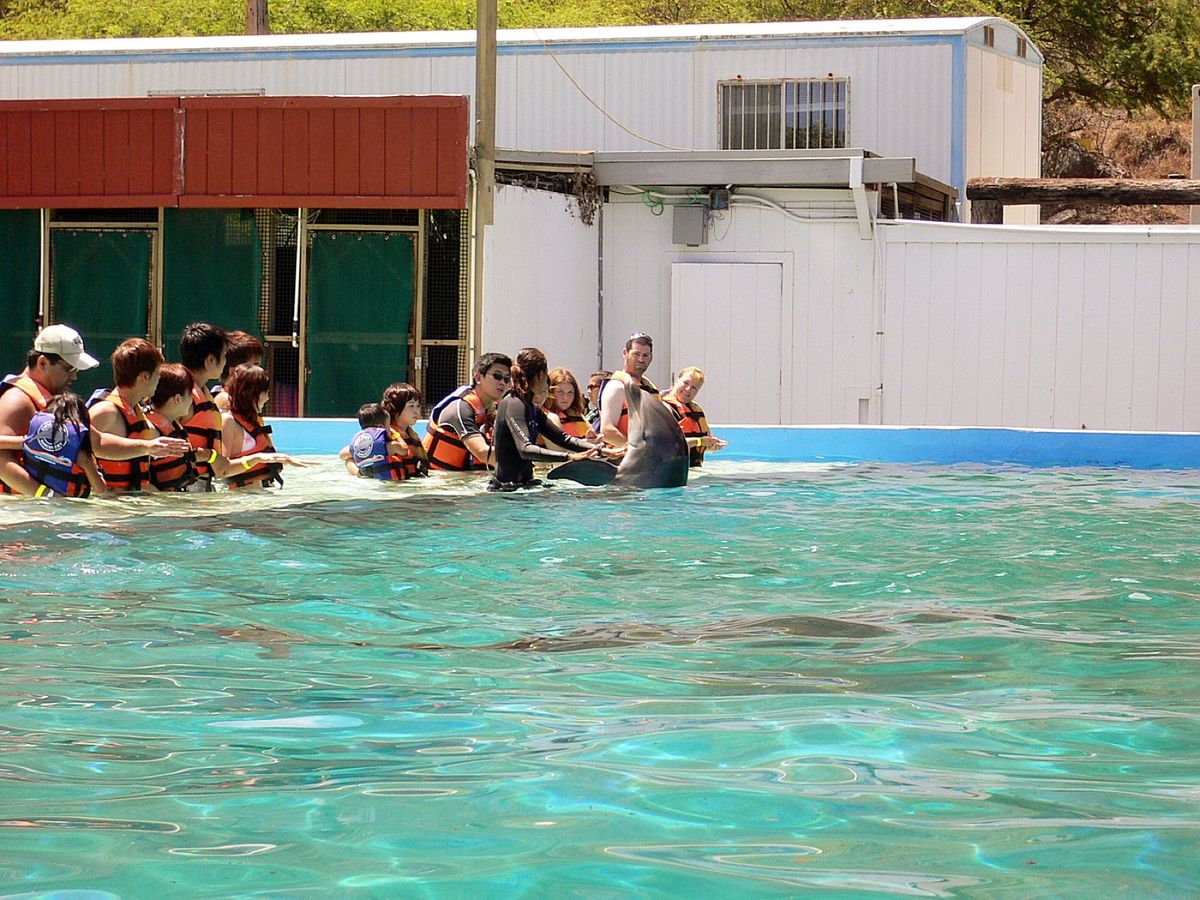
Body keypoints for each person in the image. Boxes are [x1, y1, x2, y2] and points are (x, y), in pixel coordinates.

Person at [0, 324, 187, 496]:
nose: (75, 375)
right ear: (42, 363)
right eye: (69, 368)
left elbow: (97, 442)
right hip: (20, 513)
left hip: (45, 510)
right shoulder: (17, 401)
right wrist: (46, 495)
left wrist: (149, 446)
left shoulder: (53, 401)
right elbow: (2, 462)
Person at [490, 347, 611, 491]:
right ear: (537, 376)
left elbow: (563, 438)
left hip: (524, 487)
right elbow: (525, 449)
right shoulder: (513, 403)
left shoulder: (531, 408)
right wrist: (570, 457)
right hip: (506, 490)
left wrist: (601, 450)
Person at [88, 338, 164, 492]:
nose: (159, 379)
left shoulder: (136, 411)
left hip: (128, 504)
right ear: (145, 377)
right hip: (104, 511)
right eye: (158, 373)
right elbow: (77, 455)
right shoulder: (106, 411)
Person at [219, 364, 305, 490]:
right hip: (238, 500)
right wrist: (257, 458)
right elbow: (222, 470)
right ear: (250, 394)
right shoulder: (229, 421)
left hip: (259, 495)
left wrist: (284, 459)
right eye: (265, 392)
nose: (268, 398)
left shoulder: (254, 421)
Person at [423, 352, 512, 471]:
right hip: (439, 482)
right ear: (478, 378)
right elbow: (482, 452)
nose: (503, 383)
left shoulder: (492, 409)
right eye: (497, 376)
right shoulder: (461, 408)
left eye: (507, 379)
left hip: (464, 480)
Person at [21, 393, 107, 498]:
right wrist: (98, 472)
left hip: (34, 500)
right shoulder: (82, 456)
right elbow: (100, 489)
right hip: (68, 506)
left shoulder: (30, 441)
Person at [179, 322, 228, 491]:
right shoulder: (183, 395)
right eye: (224, 356)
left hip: (200, 485)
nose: (225, 363)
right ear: (210, 360)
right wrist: (212, 456)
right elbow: (168, 447)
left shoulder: (202, 392)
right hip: (185, 488)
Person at [598, 332, 659, 448]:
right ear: (625, 353)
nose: (641, 359)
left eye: (645, 355)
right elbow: (607, 432)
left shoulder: (649, 389)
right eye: (636, 354)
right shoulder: (616, 387)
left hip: (649, 461)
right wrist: (639, 450)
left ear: (651, 357)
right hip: (622, 461)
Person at [145, 364, 199, 492]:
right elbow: (141, 481)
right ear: (178, 399)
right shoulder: (151, 431)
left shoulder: (174, 424)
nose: (193, 399)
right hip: (160, 506)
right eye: (190, 394)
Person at [341, 398, 425, 480]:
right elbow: (404, 450)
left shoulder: (360, 444)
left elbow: (342, 454)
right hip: (392, 483)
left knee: (349, 460)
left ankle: (358, 474)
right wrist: (396, 435)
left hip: (368, 478)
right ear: (381, 427)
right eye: (389, 426)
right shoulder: (390, 446)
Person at [661, 366, 728, 467]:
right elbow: (668, 446)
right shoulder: (664, 408)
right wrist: (700, 441)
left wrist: (712, 446)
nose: (688, 389)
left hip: (693, 468)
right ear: (677, 381)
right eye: (686, 383)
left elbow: (707, 446)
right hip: (672, 470)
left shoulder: (696, 410)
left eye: (694, 387)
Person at [541, 368, 596, 447]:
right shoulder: (547, 416)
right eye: (560, 392)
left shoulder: (577, 414)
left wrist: (594, 439)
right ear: (550, 392)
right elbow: (558, 447)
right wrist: (587, 443)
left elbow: (590, 436)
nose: (565, 398)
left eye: (570, 392)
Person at [214, 331, 266, 413]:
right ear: (232, 372)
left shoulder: (243, 401)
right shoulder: (226, 401)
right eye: (254, 366)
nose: (259, 371)